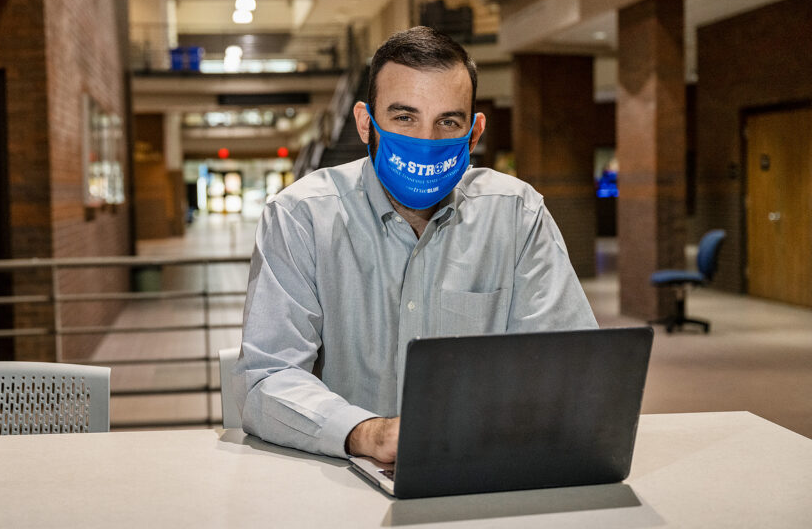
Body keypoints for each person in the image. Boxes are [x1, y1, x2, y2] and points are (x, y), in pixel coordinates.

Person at [233, 26, 597, 463]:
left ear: (474, 131)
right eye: (404, 117)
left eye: (448, 121)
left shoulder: (517, 214)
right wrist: (368, 435)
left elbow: (571, 364)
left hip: (485, 466)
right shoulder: (301, 217)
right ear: (366, 123)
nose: (426, 141)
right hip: (343, 475)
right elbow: (267, 378)